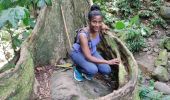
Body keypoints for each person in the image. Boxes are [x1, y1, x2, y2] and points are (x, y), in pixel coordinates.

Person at [69, 4, 120, 81]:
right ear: (89, 21)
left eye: (99, 22)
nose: (97, 25)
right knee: (93, 69)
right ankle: (79, 69)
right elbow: (88, 57)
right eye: (94, 22)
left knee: (106, 70)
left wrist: (103, 26)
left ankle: (87, 68)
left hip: (92, 51)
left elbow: (102, 24)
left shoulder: (99, 27)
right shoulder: (83, 35)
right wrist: (107, 61)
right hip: (79, 53)